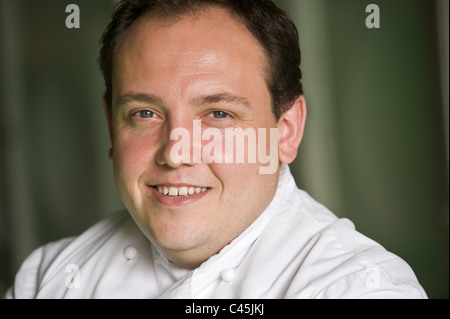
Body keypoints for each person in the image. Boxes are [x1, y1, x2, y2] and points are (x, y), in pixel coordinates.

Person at [5, 0, 427, 299]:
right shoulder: (50, 278)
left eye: (218, 115)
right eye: (145, 113)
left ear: (287, 131)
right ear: (111, 129)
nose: (175, 153)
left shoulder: (359, 288)